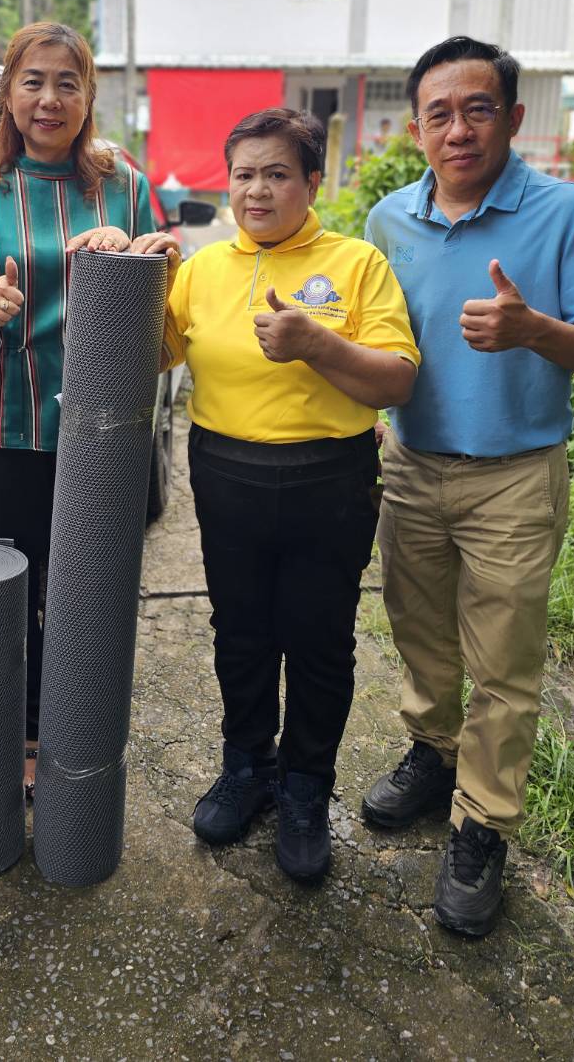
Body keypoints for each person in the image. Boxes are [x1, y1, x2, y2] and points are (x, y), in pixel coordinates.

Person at [361, 35, 574, 936]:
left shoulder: (568, 211)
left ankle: (482, 824)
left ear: (512, 117)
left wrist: (533, 329)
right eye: (438, 114)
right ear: (415, 129)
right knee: (420, 632)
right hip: (412, 463)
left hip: (516, 475)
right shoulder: (389, 220)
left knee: (505, 664)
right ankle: (434, 753)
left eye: (478, 109)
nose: (459, 130)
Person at [130, 107, 420, 882]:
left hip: (331, 476)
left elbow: (396, 378)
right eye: (244, 174)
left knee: (318, 640)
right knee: (241, 631)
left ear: (313, 181)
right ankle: (247, 765)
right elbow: (153, 356)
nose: (257, 190)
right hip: (226, 473)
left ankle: (305, 785)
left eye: (278, 173)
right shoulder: (203, 269)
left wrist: (316, 342)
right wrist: (140, 278)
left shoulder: (355, 262)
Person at [0, 20, 156, 797]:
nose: (50, 98)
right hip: (0, 422)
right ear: (8, 94)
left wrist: (135, 247)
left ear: (89, 95)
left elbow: (166, 283)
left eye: (68, 82)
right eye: (33, 81)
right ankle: (25, 730)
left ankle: (80, 727)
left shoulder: (124, 185)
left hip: (100, 429)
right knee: (14, 586)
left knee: (85, 586)